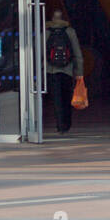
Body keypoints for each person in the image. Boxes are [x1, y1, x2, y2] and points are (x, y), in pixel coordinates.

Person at [44, 8, 84, 136]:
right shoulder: (70, 32)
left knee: (56, 99)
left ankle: (60, 126)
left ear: (52, 18)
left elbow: (40, 54)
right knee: (66, 98)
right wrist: (79, 71)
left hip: (51, 70)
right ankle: (67, 124)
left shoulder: (45, 33)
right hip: (67, 70)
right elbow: (77, 52)